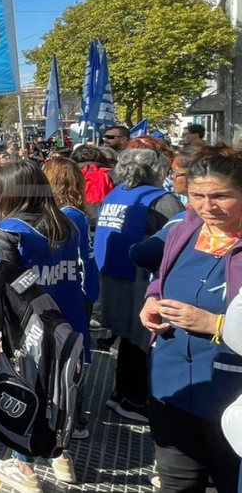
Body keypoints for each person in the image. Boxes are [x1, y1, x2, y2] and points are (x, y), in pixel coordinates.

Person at [137, 146, 242, 492]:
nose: (207, 206)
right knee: (177, 484)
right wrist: (152, 299)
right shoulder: (184, 228)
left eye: (221, 196)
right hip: (172, 381)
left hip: (231, 393)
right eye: (197, 195)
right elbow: (161, 275)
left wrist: (215, 325)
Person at [0, 161, 86, 490]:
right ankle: (62, 458)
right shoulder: (68, 223)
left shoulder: (9, 230)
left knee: (31, 391)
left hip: (31, 329)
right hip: (69, 324)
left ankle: (24, 468)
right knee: (63, 390)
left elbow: (9, 282)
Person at [96, 148, 184, 422]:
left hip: (112, 273)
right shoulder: (162, 200)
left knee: (127, 338)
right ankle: (135, 399)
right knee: (142, 339)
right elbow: (183, 230)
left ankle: (120, 393)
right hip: (141, 279)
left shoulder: (117, 193)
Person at [43, 155, 100, 436]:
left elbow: (82, 260)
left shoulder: (68, 217)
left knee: (68, 360)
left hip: (66, 295)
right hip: (75, 295)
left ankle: (74, 420)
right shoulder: (77, 213)